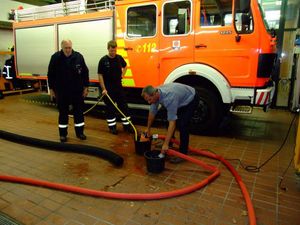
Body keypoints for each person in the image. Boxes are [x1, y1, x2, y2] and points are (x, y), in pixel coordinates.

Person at [141, 83, 199, 163]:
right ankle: (170, 143)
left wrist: (165, 143)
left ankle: (183, 153)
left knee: (183, 125)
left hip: (191, 98)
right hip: (180, 97)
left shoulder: (169, 98)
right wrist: (148, 128)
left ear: (155, 94)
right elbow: (152, 113)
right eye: (147, 100)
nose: (148, 102)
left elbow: (172, 122)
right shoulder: (155, 93)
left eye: (149, 99)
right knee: (167, 118)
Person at [47, 39, 89, 142]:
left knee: (79, 113)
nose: (68, 50)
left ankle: (80, 133)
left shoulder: (79, 57)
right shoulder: (55, 58)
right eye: (66, 48)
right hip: (61, 91)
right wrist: (51, 89)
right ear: (62, 47)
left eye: (69, 47)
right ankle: (63, 135)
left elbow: (85, 72)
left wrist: (86, 87)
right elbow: (50, 74)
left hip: (77, 91)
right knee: (63, 113)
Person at [97, 40, 133, 135]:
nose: (113, 52)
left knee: (123, 107)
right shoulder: (103, 60)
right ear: (108, 49)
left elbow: (125, 66)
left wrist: (122, 75)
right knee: (110, 109)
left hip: (118, 87)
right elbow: (100, 75)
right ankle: (112, 127)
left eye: (115, 50)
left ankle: (127, 126)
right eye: (111, 51)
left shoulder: (119, 58)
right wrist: (103, 89)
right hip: (108, 89)